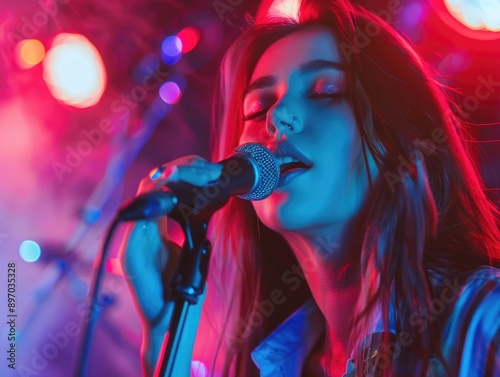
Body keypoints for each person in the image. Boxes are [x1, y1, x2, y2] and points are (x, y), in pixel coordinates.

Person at [119, 0, 500, 376]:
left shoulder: (485, 319)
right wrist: (170, 333)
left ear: (398, 140)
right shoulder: (277, 361)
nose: (276, 116)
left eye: (325, 91)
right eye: (257, 107)